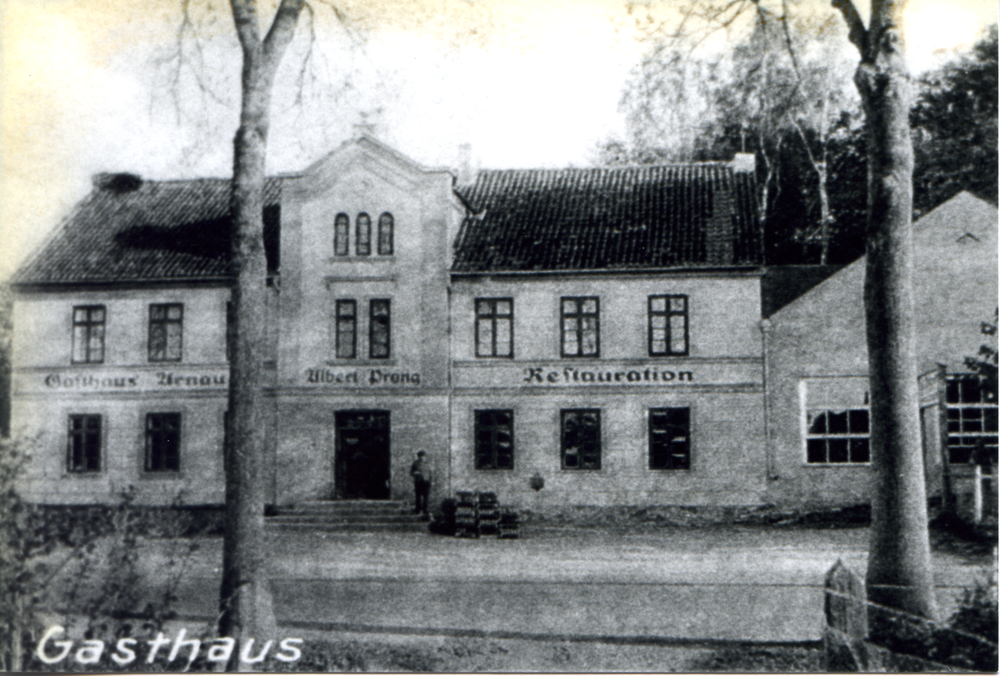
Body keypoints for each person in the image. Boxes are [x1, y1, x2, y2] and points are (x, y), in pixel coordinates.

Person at [410, 450, 432, 517]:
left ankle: (425, 509)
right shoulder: (415, 463)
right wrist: (415, 473)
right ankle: (418, 509)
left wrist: (431, 481)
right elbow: (411, 473)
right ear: (418, 457)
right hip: (418, 481)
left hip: (426, 482)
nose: (422, 458)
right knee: (418, 496)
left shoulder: (427, 464)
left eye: (423, 456)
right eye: (421, 456)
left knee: (426, 496)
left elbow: (430, 473)